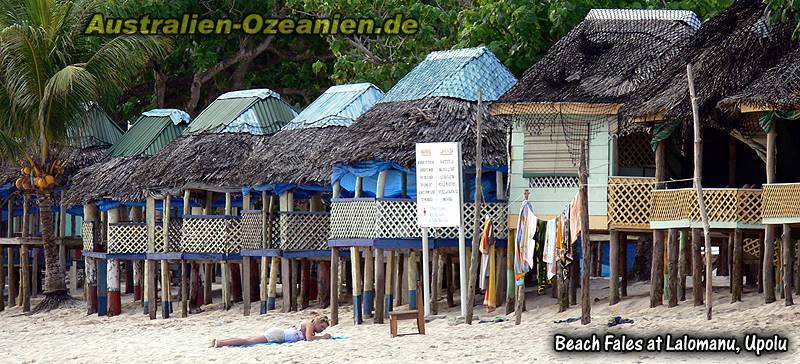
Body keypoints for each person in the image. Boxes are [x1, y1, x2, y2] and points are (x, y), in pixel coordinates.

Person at [210, 315, 332, 348]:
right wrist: (323, 337)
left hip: (279, 334)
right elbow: (309, 338)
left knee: (248, 339)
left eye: (324, 329)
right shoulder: (310, 324)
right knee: (248, 341)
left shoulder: (308, 326)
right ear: (317, 322)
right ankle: (220, 343)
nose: (321, 330)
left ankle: (220, 342)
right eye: (322, 327)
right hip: (278, 335)